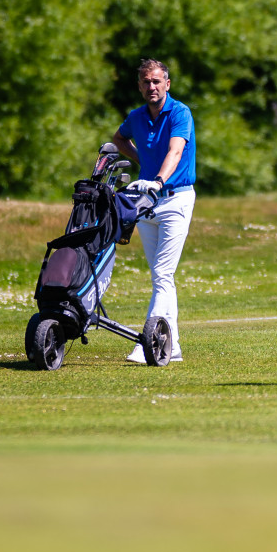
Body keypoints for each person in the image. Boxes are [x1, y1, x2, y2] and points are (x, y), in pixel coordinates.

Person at [111, 59, 196, 364]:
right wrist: (143, 164)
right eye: (146, 82)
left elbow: (176, 150)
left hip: (175, 199)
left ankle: (146, 344)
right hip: (147, 201)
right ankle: (171, 346)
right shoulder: (136, 117)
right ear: (140, 86)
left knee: (162, 273)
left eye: (157, 81)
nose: (152, 87)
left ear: (167, 84)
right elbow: (118, 139)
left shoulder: (180, 113)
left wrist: (158, 180)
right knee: (162, 277)